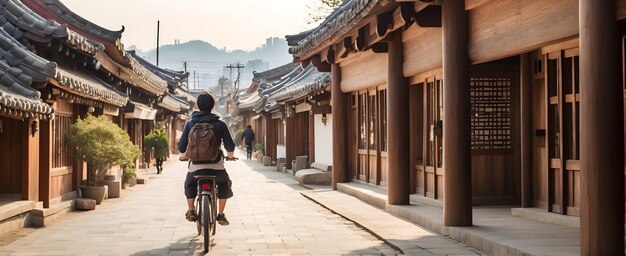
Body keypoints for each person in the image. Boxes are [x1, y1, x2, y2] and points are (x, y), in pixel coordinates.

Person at [178, 93, 236, 226]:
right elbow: (229, 145)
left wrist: (183, 155)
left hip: (196, 166)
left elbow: (181, 147)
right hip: (216, 166)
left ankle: (191, 210)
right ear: (212, 106)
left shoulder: (190, 124)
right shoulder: (220, 124)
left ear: (198, 105)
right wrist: (230, 156)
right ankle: (220, 215)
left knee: (189, 183)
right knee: (224, 183)